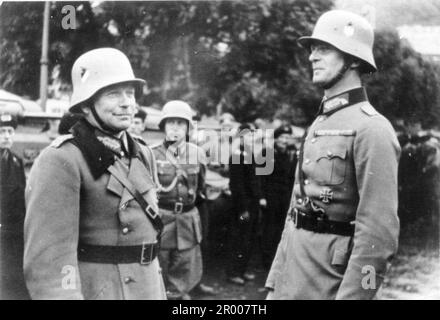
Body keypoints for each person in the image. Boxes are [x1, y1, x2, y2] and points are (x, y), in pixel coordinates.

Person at [265, 10, 401, 299]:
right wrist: (276, 281)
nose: (312, 57)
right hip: (293, 274)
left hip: (332, 284)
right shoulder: (320, 122)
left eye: (324, 48)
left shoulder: (372, 129)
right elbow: (295, 211)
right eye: (313, 49)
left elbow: (379, 237)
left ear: (353, 58)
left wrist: (357, 296)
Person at [24, 48, 166, 300]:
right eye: (113, 94)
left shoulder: (142, 152)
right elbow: (51, 261)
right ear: (86, 106)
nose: (126, 102)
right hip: (103, 291)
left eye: (130, 93)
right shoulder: (61, 159)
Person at [152, 100, 215, 300]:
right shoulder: (151, 154)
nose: (176, 128)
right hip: (161, 220)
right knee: (158, 269)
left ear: (188, 127)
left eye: (181, 123)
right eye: (171, 123)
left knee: (185, 268)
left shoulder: (197, 154)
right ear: (163, 127)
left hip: (187, 221)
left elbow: (201, 188)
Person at [226, 123, 266, 285]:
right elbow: (237, 186)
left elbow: (255, 181)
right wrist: (243, 209)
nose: (251, 137)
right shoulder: (237, 156)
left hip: (253, 204)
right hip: (243, 205)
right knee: (239, 238)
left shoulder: (250, 155)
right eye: (247, 135)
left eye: (252, 134)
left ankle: (242, 270)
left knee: (249, 238)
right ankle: (233, 273)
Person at [0, 114, 30, 300]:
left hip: (12, 231)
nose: (7, 136)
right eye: (1, 131)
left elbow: (20, 197)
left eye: (10, 131)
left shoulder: (16, 161)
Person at [260, 125, 297, 271]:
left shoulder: (290, 154)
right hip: (270, 197)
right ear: (275, 139)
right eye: (281, 137)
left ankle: (278, 259)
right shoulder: (267, 153)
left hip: (285, 197)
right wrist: (262, 197)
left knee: (282, 228)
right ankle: (267, 261)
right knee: (269, 228)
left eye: (287, 138)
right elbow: (261, 177)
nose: (284, 140)